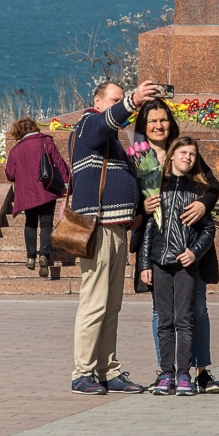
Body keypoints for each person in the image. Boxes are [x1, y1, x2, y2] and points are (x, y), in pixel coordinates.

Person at [69, 80, 156, 395]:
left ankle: (108, 370)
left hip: (118, 225)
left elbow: (146, 166)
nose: (121, 105)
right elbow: (103, 124)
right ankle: (83, 373)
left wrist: (145, 120)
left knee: (112, 305)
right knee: (95, 302)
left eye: (122, 99)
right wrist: (132, 100)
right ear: (97, 100)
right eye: (115, 99)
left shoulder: (118, 138)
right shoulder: (87, 126)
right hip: (98, 225)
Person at [132, 99, 219, 394]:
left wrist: (202, 204)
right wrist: (141, 206)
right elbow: (133, 202)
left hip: (188, 247)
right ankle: (166, 372)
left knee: (196, 309)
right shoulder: (138, 157)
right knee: (163, 315)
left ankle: (201, 371)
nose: (159, 126)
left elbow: (211, 185)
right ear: (143, 127)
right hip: (157, 250)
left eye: (163, 120)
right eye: (152, 121)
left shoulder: (184, 151)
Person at [5, 117, 70, 277]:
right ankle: (44, 254)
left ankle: (30, 257)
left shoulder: (15, 150)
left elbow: (10, 174)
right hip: (47, 189)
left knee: (30, 223)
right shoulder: (45, 142)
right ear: (34, 128)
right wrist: (67, 183)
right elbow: (59, 163)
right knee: (46, 223)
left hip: (27, 193)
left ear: (18, 132)